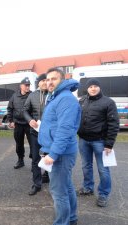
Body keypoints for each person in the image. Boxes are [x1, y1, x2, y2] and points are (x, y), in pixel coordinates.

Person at [38, 68, 81, 225]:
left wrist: (53, 154)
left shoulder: (65, 99)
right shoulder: (55, 97)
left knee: (58, 192)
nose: (49, 82)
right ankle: (71, 218)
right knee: (67, 187)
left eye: (54, 79)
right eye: (48, 79)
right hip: (57, 150)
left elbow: (65, 129)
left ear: (62, 80)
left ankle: (62, 222)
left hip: (61, 154)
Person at [77, 78, 119, 207]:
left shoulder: (108, 102)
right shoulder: (82, 101)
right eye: (90, 87)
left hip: (100, 142)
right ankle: (88, 187)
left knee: (103, 169)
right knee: (86, 166)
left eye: (95, 86)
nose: (93, 88)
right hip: (83, 140)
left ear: (99, 87)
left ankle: (103, 194)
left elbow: (113, 124)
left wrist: (109, 144)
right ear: (87, 89)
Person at [23, 73, 48, 195]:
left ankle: (48, 177)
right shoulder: (32, 95)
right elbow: (25, 110)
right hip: (35, 132)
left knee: (50, 157)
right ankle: (36, 183)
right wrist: (29, 119)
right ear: (38, 82)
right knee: (35, 158)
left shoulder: (54, 95)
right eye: (42, 80)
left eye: (46, 80)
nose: (44, 82)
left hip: (50, 133)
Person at [7, 77, 32, 169]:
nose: (27, 87)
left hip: (29, 124)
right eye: (26, 85)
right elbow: (10, 108)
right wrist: (11, 120)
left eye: (29, 85)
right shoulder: (14, 96)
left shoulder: (32, 95)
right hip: (18, 124)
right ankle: (20, 160)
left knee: (33, 143)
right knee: (19, 143)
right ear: (21, 86)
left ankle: (34, 163)